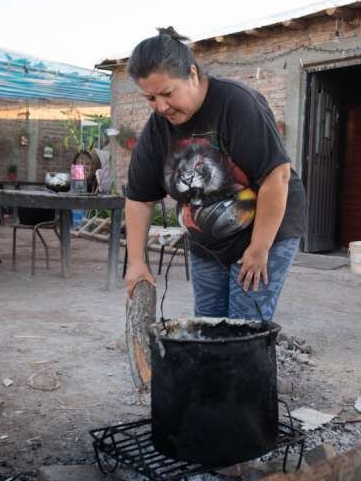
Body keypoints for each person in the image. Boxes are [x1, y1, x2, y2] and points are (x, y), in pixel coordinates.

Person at [123, 28, 306, 321]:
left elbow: (277, 177)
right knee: (207, 324)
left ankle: (247, 365)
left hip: (264, 230)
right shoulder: (157, 129)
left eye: (167, 93)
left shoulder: (237, 104)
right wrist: (135, 262)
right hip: (208, 242)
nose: (161, 107)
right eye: (150, 98)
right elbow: (139, 199)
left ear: (193, 75)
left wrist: (259, 249)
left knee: (244, 324)